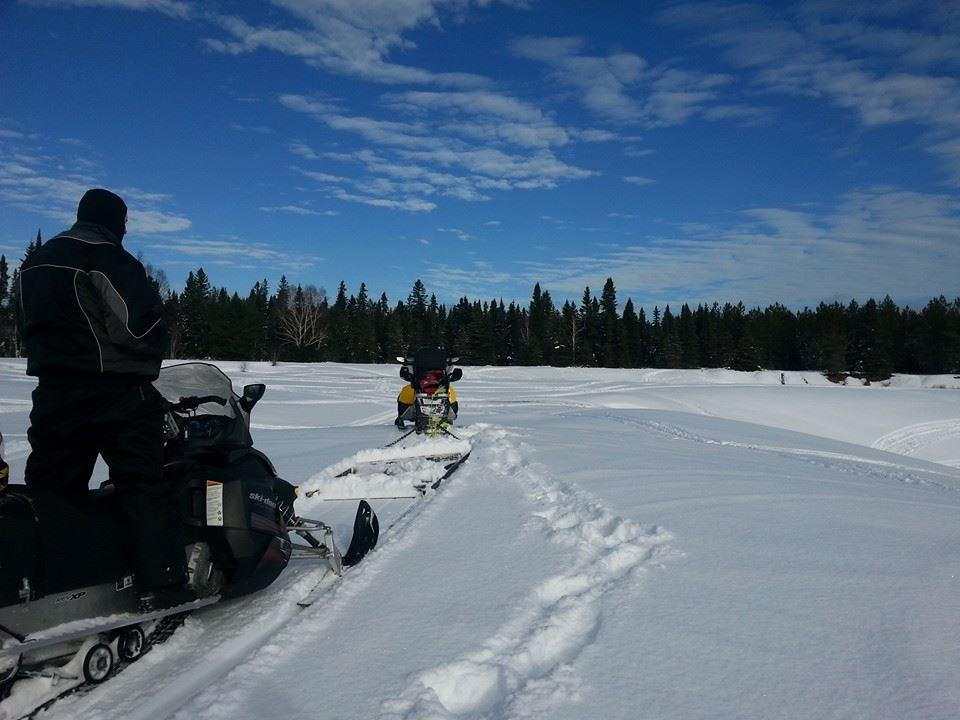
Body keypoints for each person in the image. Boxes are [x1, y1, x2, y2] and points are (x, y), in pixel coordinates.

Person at [18, 188, 190, 608]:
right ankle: (163, 584)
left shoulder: (34, 264)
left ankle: (56, 581)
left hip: (54, 391)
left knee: (53, 488)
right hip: (114, 391)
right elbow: (138, 326)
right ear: (116, 222)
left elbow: (25, 327)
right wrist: (155, 343)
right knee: (141, 483)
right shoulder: (106, 257)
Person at [395, 347, 459, 428]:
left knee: (449, 390)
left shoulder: (441, 364)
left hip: (437, 385)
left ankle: (446, 415)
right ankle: (405, 416)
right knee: (407, 390)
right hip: (421, 382)